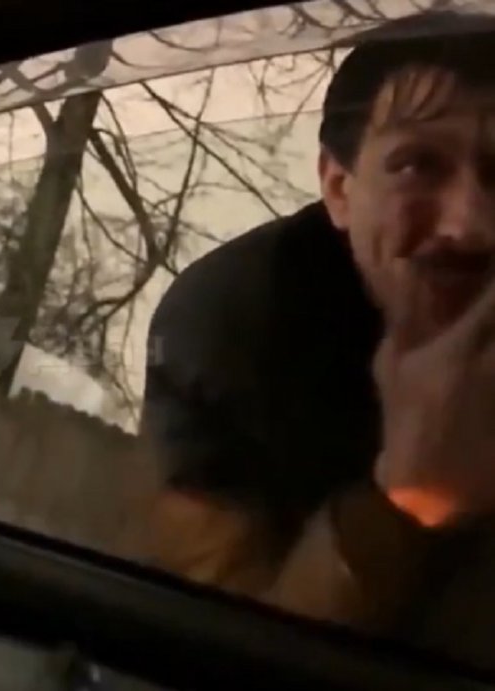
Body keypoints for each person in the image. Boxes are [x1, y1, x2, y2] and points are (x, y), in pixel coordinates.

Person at [142, 9, 495, 666]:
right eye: (419, 165)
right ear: (338, 188)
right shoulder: (235, 323)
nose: (471, 224)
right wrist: (402, 499)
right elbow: (211, 652)